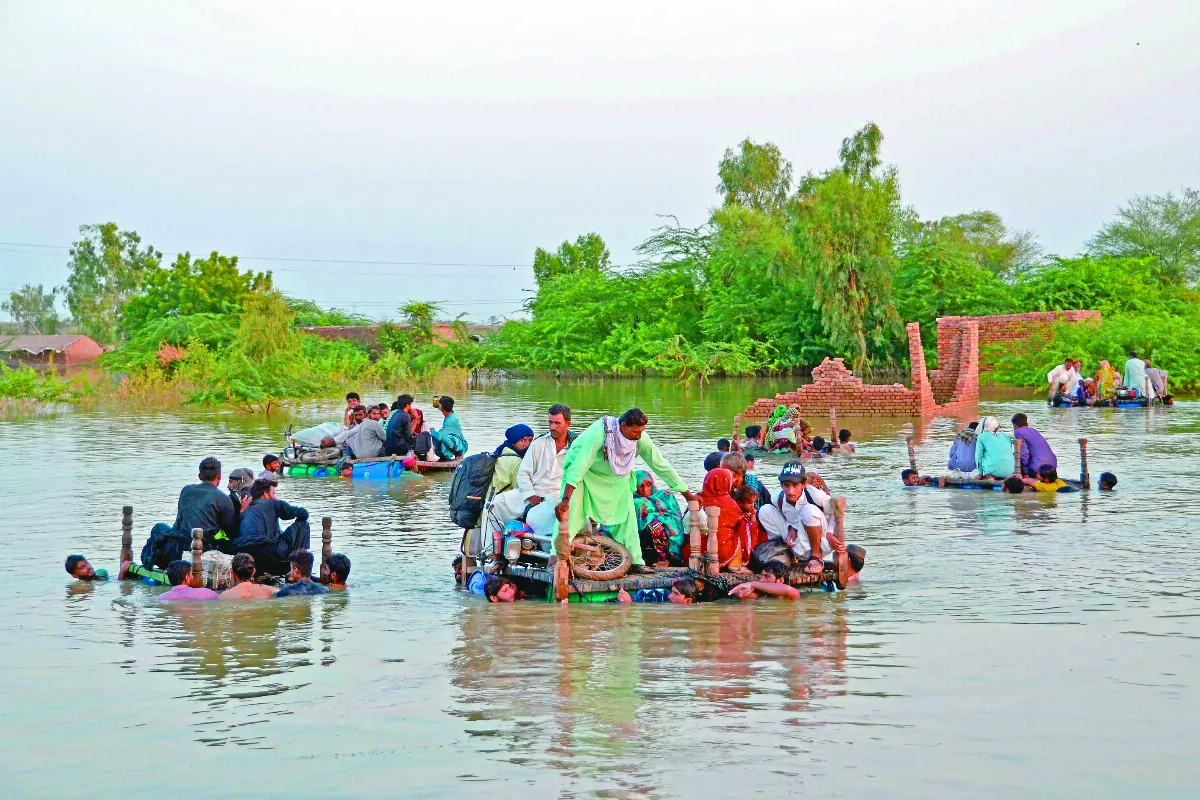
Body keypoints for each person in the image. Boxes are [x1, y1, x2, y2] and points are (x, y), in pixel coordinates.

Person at [556, 408, 696, 575]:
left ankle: (635, 561)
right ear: (623, 426)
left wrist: (687, 494)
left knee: (627, 515)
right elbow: (579, 465)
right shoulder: (599, 433)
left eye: (641, 432)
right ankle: (556, 558)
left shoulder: (640, 439)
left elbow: (660, 464)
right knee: (572, 513)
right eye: (636, 432)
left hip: (617, 473)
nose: (639, 436)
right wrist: (565, 498)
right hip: (584, 473)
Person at [484, 405, 575, 546]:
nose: (552, 427)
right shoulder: (538, 443)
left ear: (568, 424)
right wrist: (530, 494)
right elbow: (523, 473)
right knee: (494, 505)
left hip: (559, 496)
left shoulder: (576, 448)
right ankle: (492, 553)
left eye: (557, 423)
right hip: (533, 493)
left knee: (546, 521)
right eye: (550, 422)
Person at [141, 457, 246, 568]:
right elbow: (231, 532)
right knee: (233, 542)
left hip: (176, 546)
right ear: (219, 476)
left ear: (200, 476)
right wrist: (242, 511)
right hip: (200, 549)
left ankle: (149, 561)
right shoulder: (223, 498)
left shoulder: (186, 490)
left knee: (159, 527)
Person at [756, 461, 846, 577]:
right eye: (786, 485)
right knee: (765, 510)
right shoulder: (777, 498)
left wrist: (829, 533)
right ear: (781, 485)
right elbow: (788, 516)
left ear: (803, 484)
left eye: (795, 485)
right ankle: (786, 553)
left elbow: (836, 511)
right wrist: (791, 527)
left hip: (820, 543)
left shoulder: (815, 496)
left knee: (808, 510)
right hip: (795, 543)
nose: (790, 491)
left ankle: (816, 557)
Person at [232, 478, 311, 577]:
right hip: (267, 552)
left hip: (244, 553)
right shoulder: (273, 503)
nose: (275, 497)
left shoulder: (246, 510)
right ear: (265, 494)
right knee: (303, 524)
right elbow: (302, 513)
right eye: (274, 493)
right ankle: (300, 564)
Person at [683, 468, 754, 572]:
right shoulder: (729, 503)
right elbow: (739, 522)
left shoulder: (696, 498)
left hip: (690, 553)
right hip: (718, 553)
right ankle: (735, 564)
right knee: (744, 528)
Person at [633, 469, 687, 566]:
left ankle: (674, 555)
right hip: (645, 529)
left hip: (666, 522)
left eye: (648, 485)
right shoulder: (635, 501)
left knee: (663, 525)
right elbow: (641, 519)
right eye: (641, 486)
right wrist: (656, 516)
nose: (645, 489)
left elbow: (675, 514)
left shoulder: (664, 495)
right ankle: (663, 558)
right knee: (655, 526)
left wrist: (664, 517)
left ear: (652, 485)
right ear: (636, 487)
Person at [490, 424, 535, 494]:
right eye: (523, 440)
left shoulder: (500, 453)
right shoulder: (517, 461)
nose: (527, 444)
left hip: (489, 498)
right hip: (502, 501)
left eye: (530, 440)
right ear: (514, 442)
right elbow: (519, 490)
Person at [1011, 414, 1057, 478]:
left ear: (1015, 425)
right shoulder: (1033, 430)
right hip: (1053, 466)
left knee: (1016, 454)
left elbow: (1024, 454)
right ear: (1027, 424)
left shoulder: (1018, 432)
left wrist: (1026, 474)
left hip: (1038, 468)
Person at [729, 561, 801, 600]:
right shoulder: (761, 596)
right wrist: (742, 595)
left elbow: (788, 590)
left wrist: (752, 584)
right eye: (761, 576)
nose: (761, 580)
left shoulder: (790, 596)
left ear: (780, 580)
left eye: (767, 576)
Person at [430, 395, 468, 461]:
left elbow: (439, 437)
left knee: (444, 438)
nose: (439, 405)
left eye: (440, 404)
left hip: (460, 444)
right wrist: (436, 405)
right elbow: (442, 408)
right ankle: (443, 456)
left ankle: (458, 454)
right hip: (452, 439)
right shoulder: (449, 413)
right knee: (440, 437)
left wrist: (431, 430)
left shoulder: (451, 420)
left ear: (443, 407)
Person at [615, 578, 698, 604]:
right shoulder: (662, 595)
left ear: (687, 601)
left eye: (676, 594)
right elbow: (639, 597)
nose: (670, 596)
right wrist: (629, 600)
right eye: (672, 591)